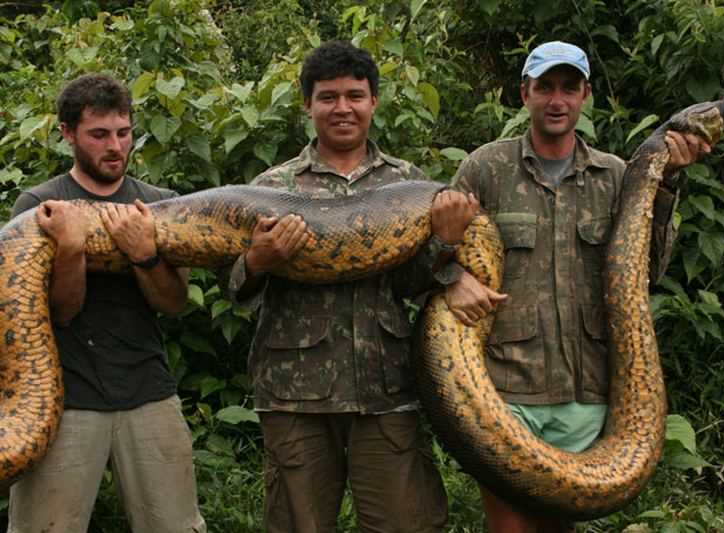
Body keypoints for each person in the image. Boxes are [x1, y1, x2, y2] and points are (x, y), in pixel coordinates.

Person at [443, 41, 711, 533]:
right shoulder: (485, 168)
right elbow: (441, 249)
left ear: (585, 94)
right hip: (504, 387)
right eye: (545, 87)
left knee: (555, 527)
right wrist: (452, 274)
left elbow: (646, 270)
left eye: (569, 87)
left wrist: (668, 183)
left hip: (583, 390)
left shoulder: (613, 175)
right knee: (507, 526)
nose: (557, 99)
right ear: (524, 94)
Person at [227, 40, 477, 533]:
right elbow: (234, 289)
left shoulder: (408, 183)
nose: (342, 108)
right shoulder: (270, 187)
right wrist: (256, 261)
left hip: (386, 391)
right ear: (307, 104)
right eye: (328, 97)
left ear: (374, 102)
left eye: (355, 95)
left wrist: (444, 243)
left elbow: (411, 284)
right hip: (294, 396)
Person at [7, 73, 206, 533]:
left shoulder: (159, 205)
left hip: (148, 392)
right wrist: (72, 250)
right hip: (66, 403)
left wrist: (145, 255)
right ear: (67, 133)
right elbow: (61, 313)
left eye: (124, 132)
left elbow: (173, 303)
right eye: (99, 134)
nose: (115, 146)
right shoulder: (39, 206)